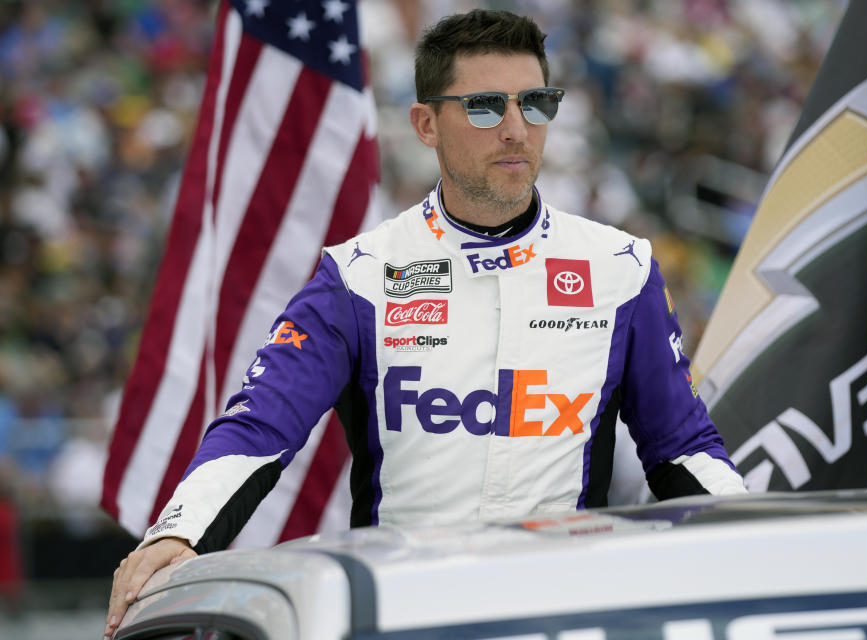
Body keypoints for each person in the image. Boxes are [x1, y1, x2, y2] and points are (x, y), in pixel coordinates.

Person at [105, 9, 746, 637]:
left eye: (537, 103)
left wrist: (761, 533)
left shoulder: (619, 266)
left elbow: (683, 448)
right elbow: (259, 425)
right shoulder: (358, 274)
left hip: (566, 611)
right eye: (486, 106)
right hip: (405, 612)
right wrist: (180, 532)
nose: (517, 130)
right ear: (426, 124)